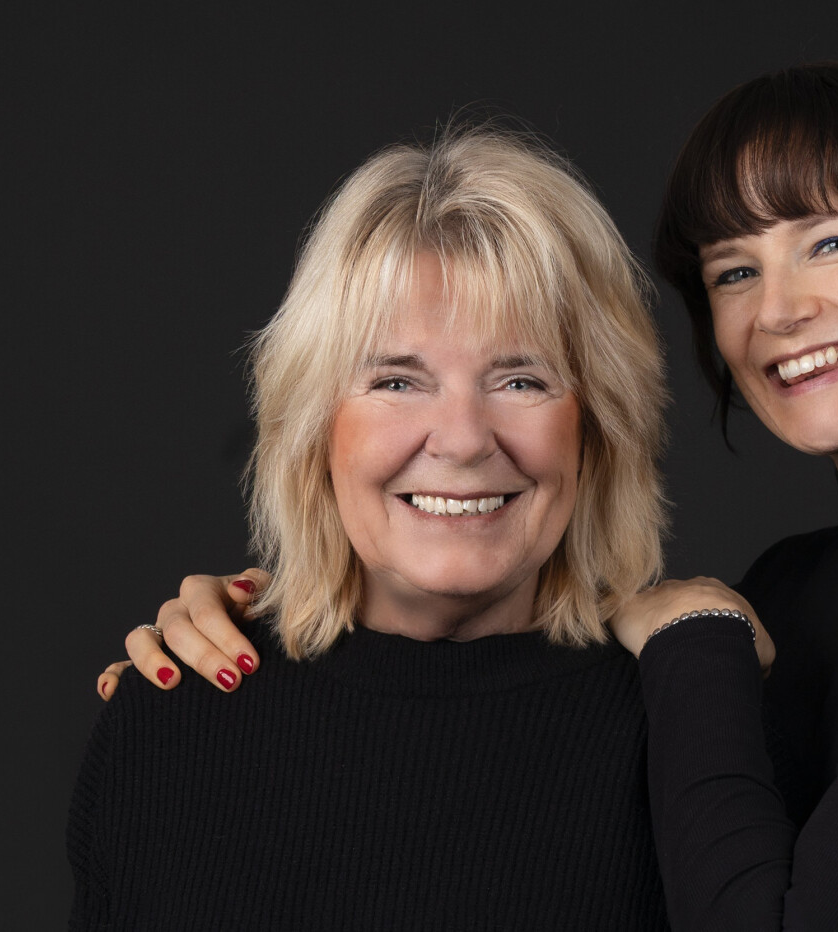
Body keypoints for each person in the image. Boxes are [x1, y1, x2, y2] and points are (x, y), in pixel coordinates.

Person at [101, 62, 838, 931]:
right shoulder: (789, 592)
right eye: (733, 271)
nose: (780, 309)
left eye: (830, 240)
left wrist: (696, 639)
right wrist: (279, 616)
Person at [68, 127, 676, 929]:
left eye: (521, 380)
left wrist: (704, 650)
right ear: (315, 427)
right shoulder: (170, 721)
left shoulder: (684, 730)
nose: (463, 439)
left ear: (595, 428)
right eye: (396, 380)